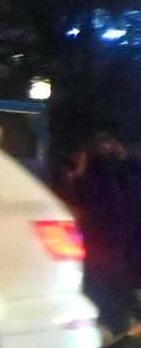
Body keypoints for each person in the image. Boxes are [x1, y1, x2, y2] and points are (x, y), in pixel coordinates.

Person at [66, 134, 138, 335]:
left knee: (103, 289)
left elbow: (89, 207)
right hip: (114, 247)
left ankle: (114, 330)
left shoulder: (94, 178)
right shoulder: (118, 176)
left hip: (99, 247)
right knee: (114, 288)